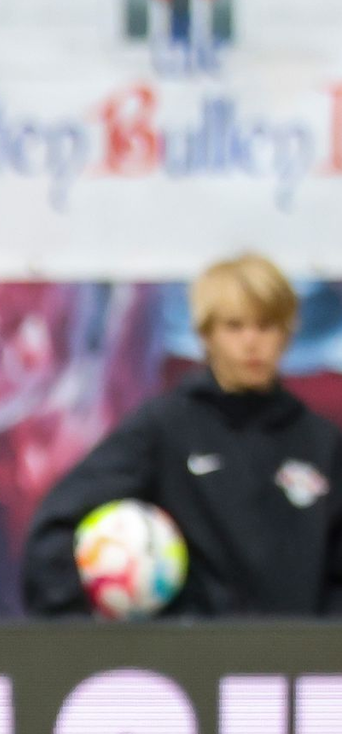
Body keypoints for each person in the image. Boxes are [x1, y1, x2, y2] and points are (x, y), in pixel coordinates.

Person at [22, 254, 342, 616]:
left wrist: (325, 647)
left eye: (266, 325)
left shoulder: (322, 442)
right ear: (206, 333)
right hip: (192, 663)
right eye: (235, 326)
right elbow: (57, 523)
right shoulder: (166, 427)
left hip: (298, 664)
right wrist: (76, 630)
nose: (251, 342)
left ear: (288, 332)